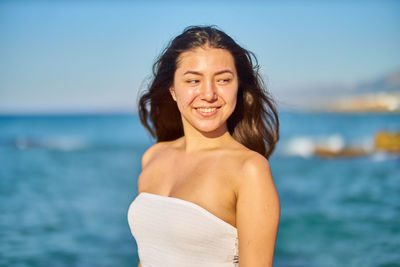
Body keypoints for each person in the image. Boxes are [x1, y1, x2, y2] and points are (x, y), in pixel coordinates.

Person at [128, 25, 280, 267]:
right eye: (193, 80)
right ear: (173, 90)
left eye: (223, 80)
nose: (208, 93)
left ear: (238, 86)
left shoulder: (250, 170)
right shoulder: (153, 157)